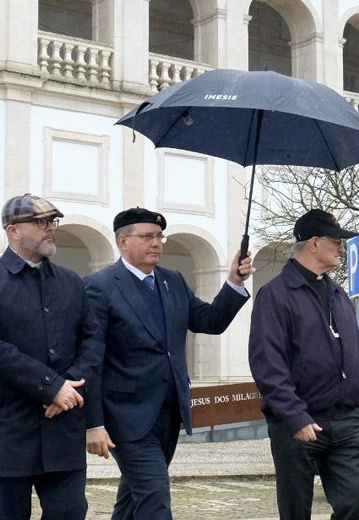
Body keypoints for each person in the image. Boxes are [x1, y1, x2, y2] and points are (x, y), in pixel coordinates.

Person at [82, 207, 252, 520]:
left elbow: (210, 321)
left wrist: (233, 283)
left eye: (160, 236)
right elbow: (90, 360)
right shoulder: (99, 286)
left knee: (134, 498)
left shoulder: (172, 281)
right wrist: (94, 423)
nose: (156, 243)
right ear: (123, 241)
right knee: (154, 495)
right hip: (125, 416)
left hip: (169, 411)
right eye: (147, 236)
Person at [0, 193, 102, 520]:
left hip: (63, 428)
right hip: (8, 430)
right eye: (40, 222)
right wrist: (51, 387)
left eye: (52, 221)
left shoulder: (70, 282)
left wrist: (70, 388)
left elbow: (93, 341)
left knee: (70, 513)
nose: (50, 228)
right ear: (13, 230)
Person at [248, 209, 359, 520]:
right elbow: (267, 363)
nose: (341, 248)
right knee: (296, 512)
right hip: (297, 424)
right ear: (314, 243)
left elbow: (352, 353)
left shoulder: (338, 293)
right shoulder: (275, 295)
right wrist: (295, 416)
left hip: (345, 421)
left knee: (355, 504)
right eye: (336, 241)